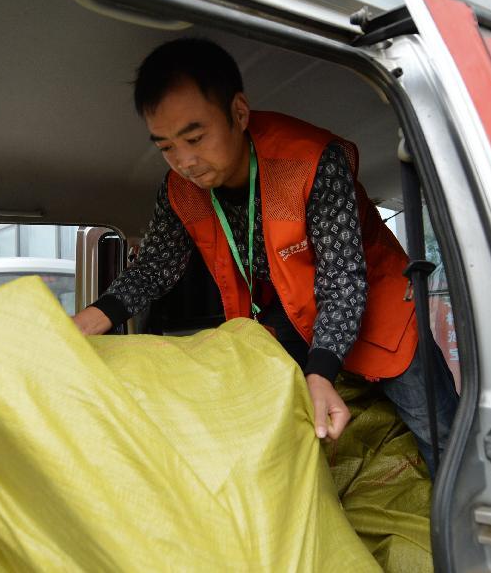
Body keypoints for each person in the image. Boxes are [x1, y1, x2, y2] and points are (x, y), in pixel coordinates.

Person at [72, 38, 458, 476]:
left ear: (239, 113)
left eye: (195, 138)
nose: (184, 161)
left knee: (441, 433)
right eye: (166, 147)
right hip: (292, 313)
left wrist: (321, 371)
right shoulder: (180, 191)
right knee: (264, 422)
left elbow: (342, 281)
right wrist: (85, 323)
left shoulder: (311, 161)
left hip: (377, 306)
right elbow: (157, 266)